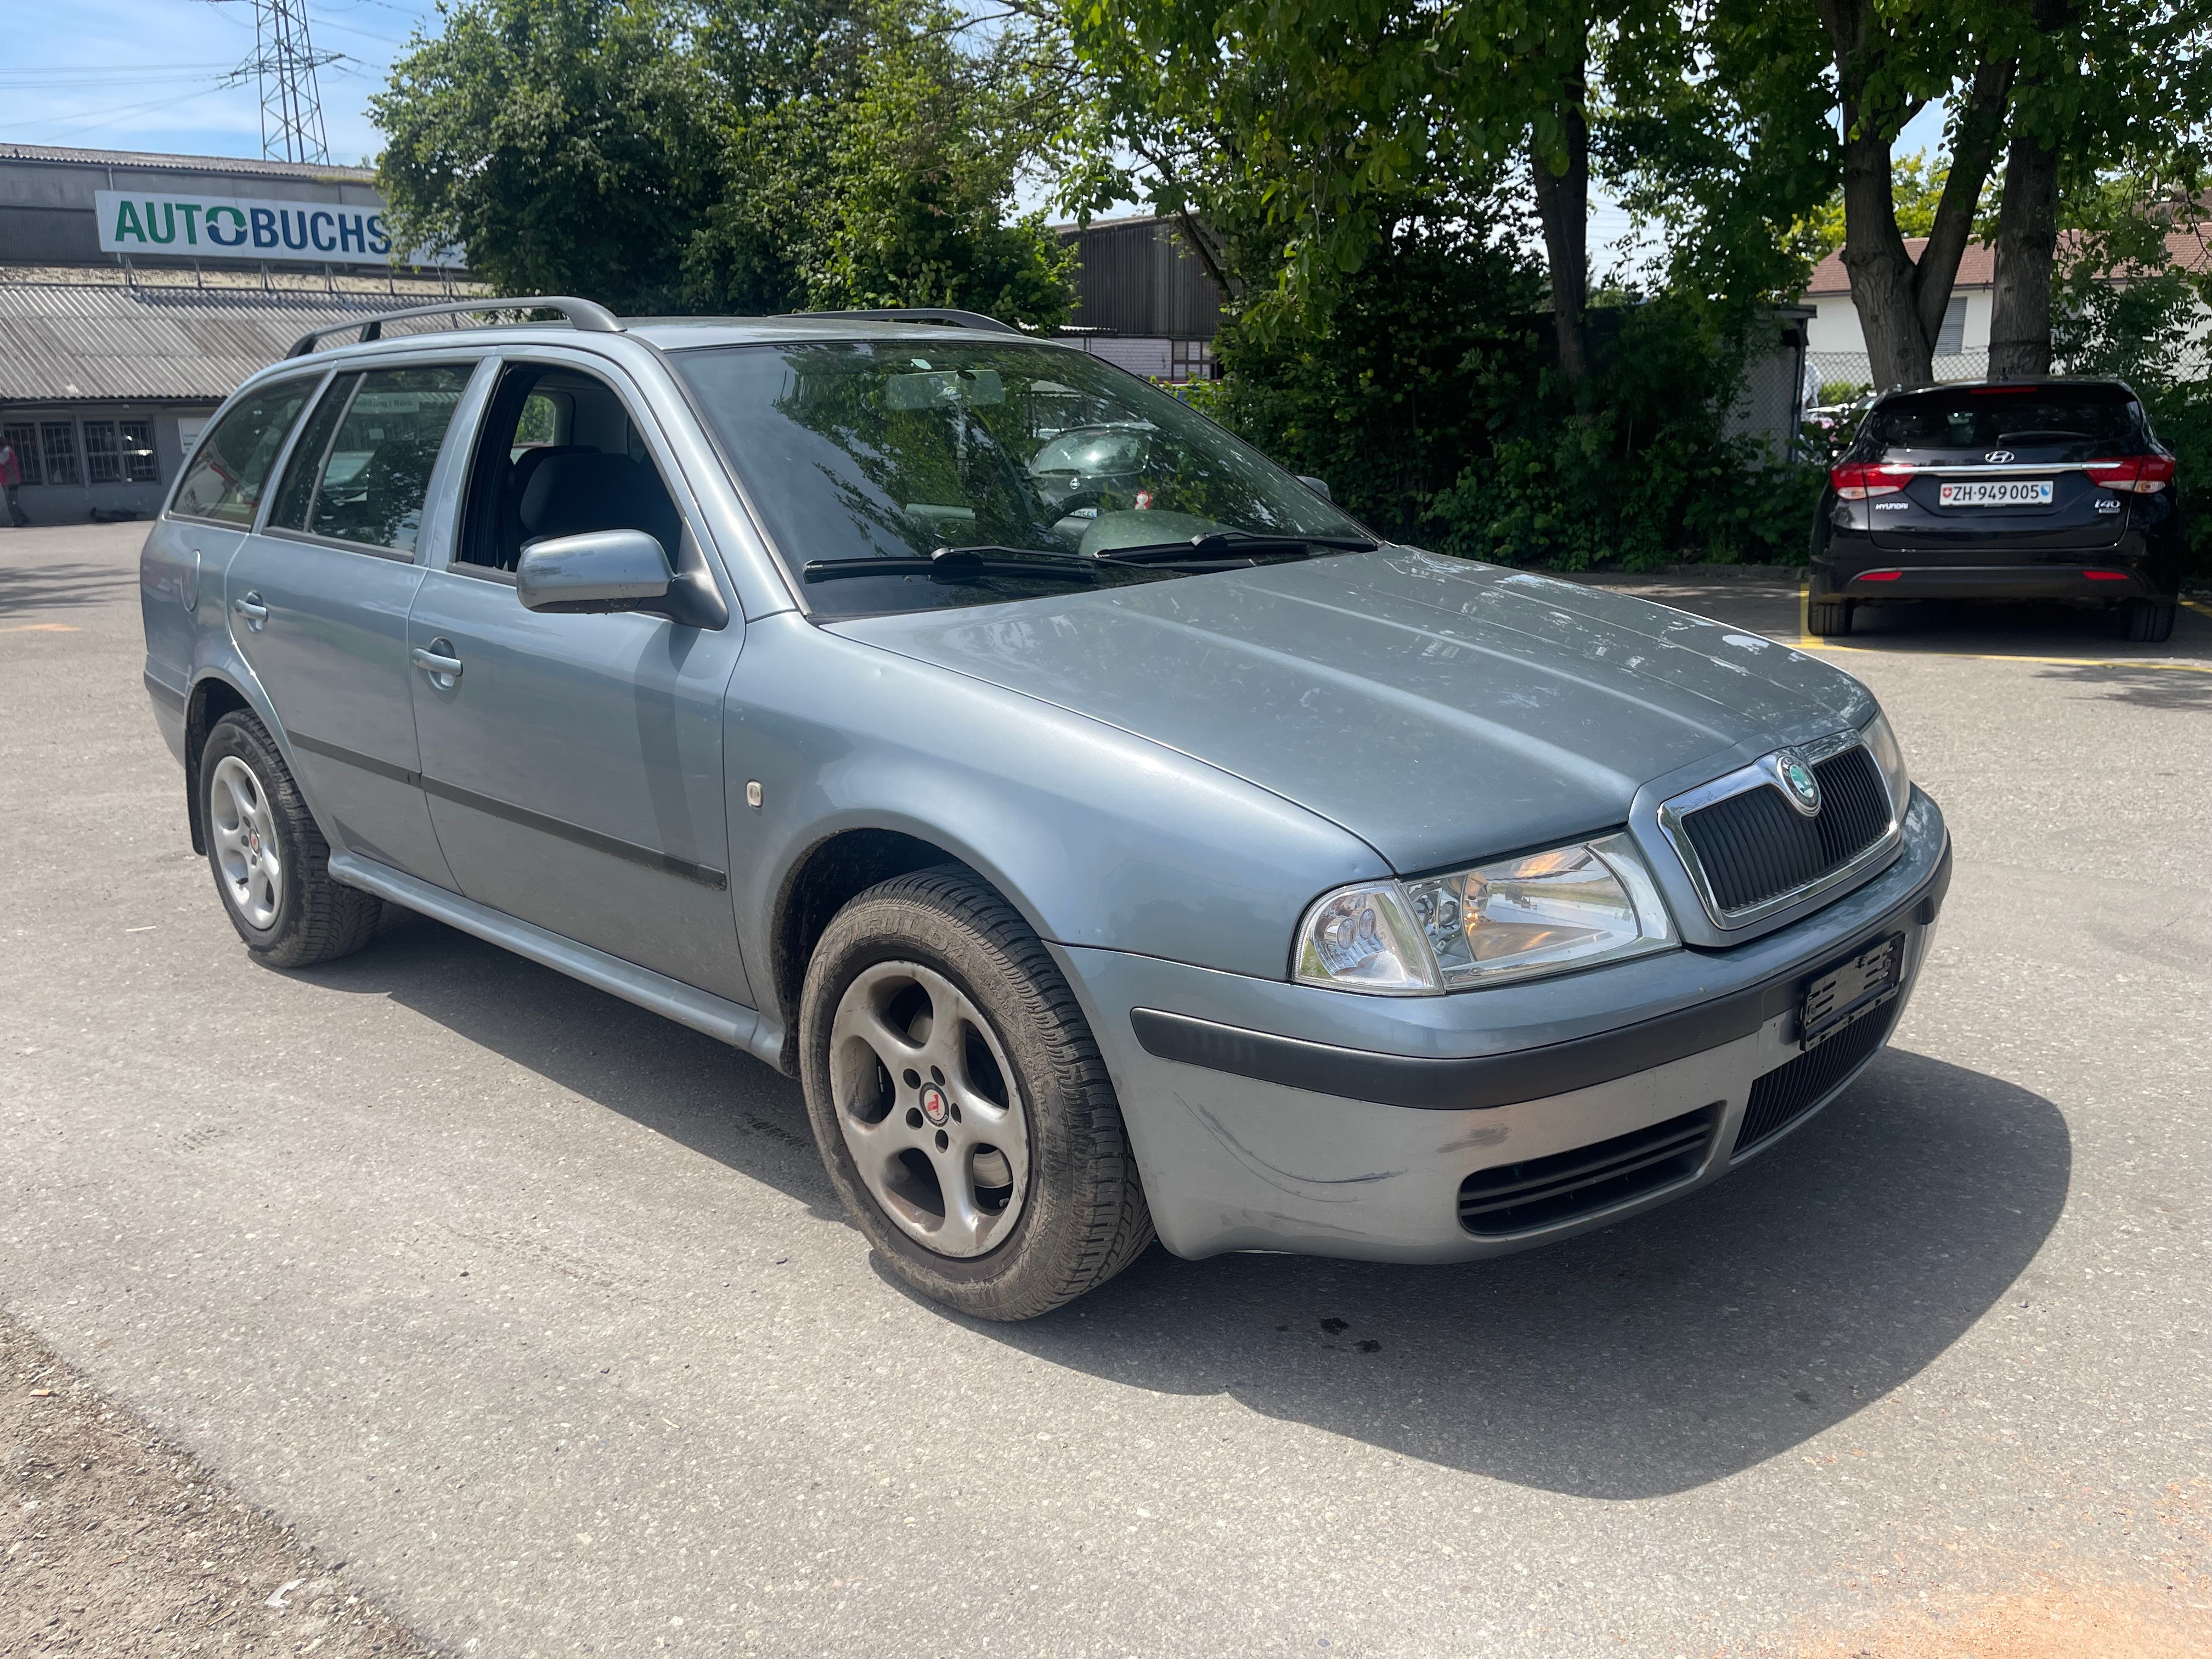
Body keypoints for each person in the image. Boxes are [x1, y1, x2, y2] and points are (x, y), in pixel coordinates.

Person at [0, 435, 24, 527]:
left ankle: (18, 522)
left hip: (11, 481)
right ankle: (20, 520)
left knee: (13, 503)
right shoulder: (5, 451)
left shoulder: (6, 451)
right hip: (8, 481)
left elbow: (1, 462)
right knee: (11, 502)